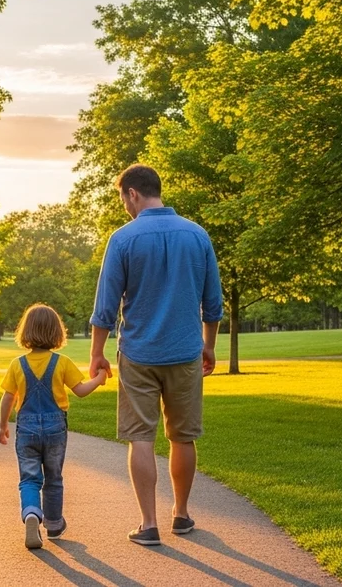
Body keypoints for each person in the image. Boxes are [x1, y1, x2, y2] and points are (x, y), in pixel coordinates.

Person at [90, 164, 223, 546]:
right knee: (183, 438)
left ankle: (148, 524)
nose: (124, 208)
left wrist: (97, 354)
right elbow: (212, 304)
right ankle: (180, 515)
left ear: (133, 193)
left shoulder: (123, 239)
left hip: (139, 353)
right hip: (185, 353)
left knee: (141, 438)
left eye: (123, 200)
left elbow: (106, 305)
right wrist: (208, 345)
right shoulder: (198, 235)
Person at [0, 304, 106, 549]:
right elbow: (80, 391)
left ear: (25, 332)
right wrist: (98, 379)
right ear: (57, 332)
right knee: (54, 478)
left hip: (26, 430)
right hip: (55, 428)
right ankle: (54, 524)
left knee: (29, 478)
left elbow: (8, 397)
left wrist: (3, 425)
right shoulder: (62, 362)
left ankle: (32, 514)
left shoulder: (17, 364)